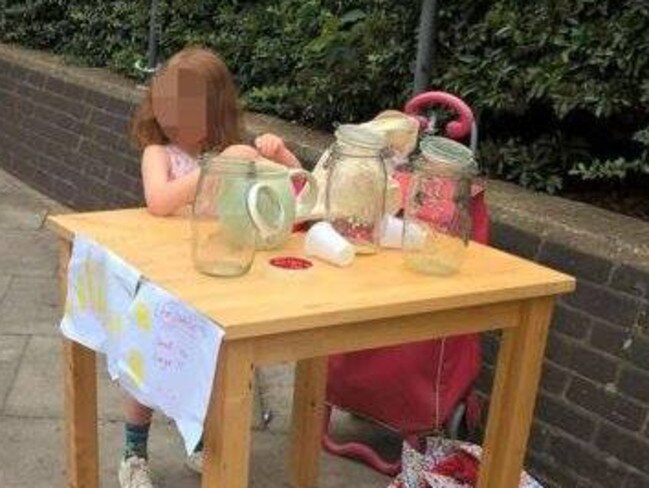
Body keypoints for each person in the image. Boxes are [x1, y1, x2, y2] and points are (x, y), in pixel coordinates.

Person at [126, 46, 301, 488]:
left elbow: (297, 197)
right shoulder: (159, 154)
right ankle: (133, 451)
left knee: (208, 365)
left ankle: (199, 442)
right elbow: (159, 201)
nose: (175, 119)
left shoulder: (234, 152)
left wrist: (280, 158)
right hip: (164, 280)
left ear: (215, 109)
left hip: (217, 278)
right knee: (148, 366)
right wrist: (219, 166)